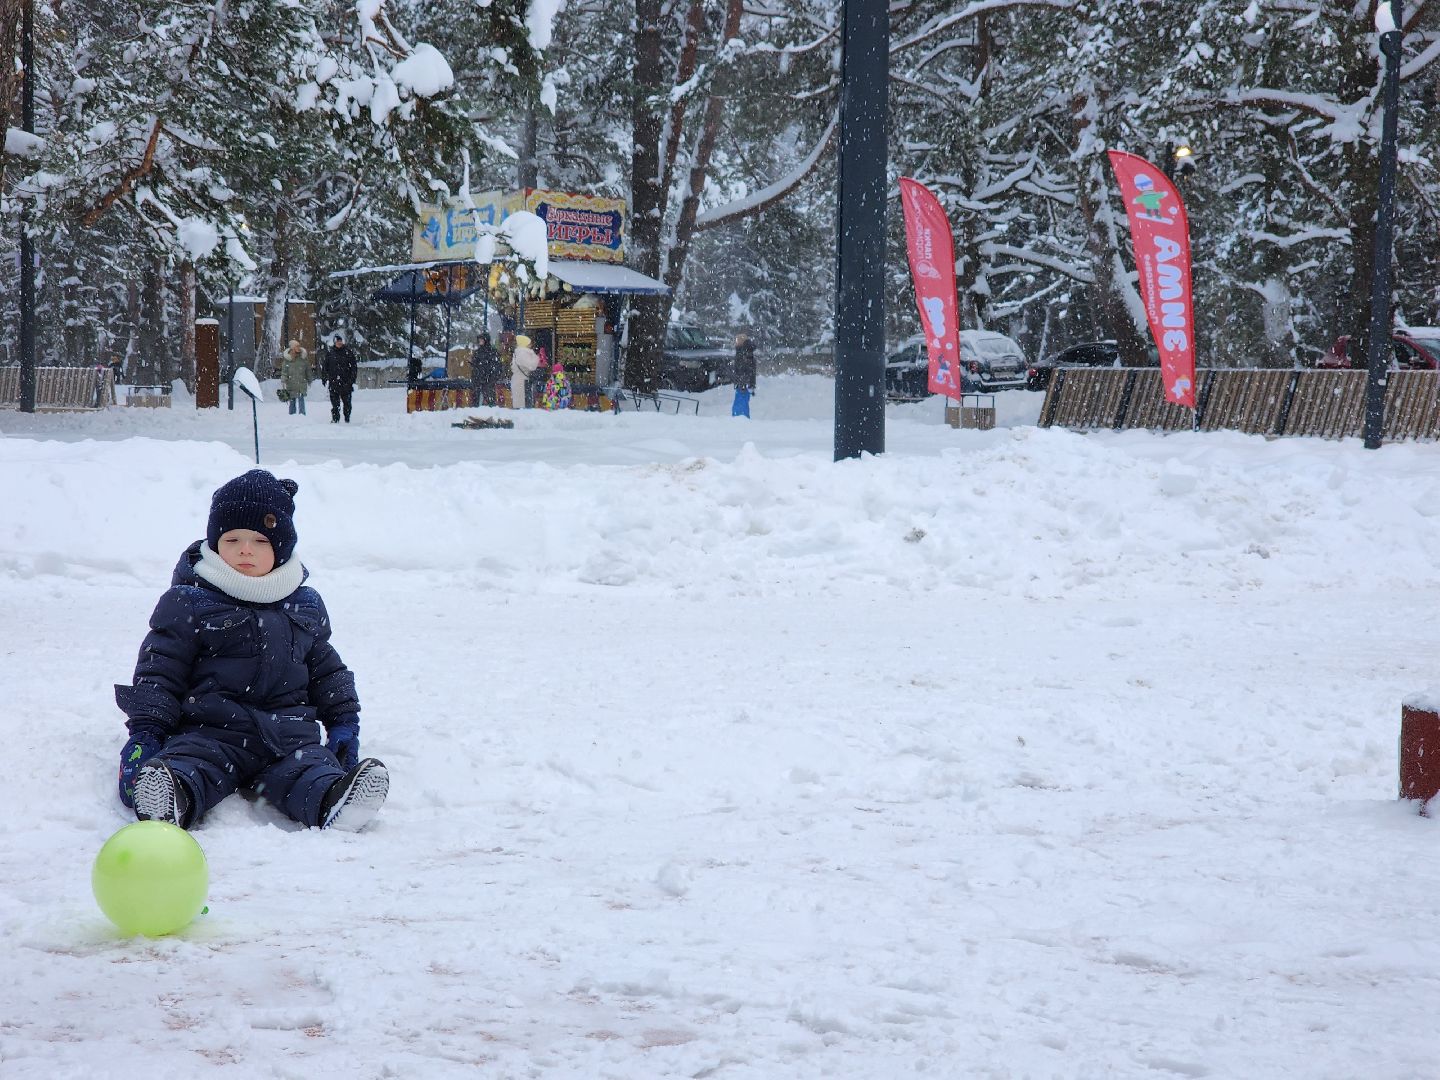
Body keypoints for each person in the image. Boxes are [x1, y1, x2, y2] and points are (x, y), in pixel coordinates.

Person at [114, 469, 389, 832]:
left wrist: (343, 724)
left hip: (289, 735)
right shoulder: (190, 601)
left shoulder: (304, 604)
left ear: (281, 547)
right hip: (211, 732)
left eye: (260, 541)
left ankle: (333, 801)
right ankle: (170, 797)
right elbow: (161, 669)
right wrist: (146, 732)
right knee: (190, 764)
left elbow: (327, 671)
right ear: (215, 544)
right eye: (232, 539)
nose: (245, 550)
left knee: (310, 769)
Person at [322, 333, 358, 423]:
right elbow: (325, 367)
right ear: (334, 343)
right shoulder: (330, 353)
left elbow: (354, 368)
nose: (339, 343)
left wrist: (351, 380)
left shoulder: (348, 353)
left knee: (347, 403)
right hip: (334, 383)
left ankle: (347, 419)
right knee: (335, 404)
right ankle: (335, 419)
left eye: (340, 341)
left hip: (346, 383)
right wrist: (324, 377)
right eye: (337, 342)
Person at [279, 338, 311, 416]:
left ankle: (302, 415)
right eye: (297, 346)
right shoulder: (287, 360)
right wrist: (283, 379)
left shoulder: (303, 358)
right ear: (292, 348)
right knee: (292, 400)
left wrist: (309, 379)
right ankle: (292, 415)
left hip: (301, 383)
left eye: (299, 346)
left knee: (301, 399)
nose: (299, 347)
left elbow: (308, 370)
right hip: (291, 383)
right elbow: (284, 371)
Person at [472, 331, 502, 407]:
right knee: (477, 397)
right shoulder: (478, 352)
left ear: (486, 340)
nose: (480, 341)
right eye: (479, 340)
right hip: (479, 378)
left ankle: (491, 410)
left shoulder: (492, 351)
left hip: (488, 378)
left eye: (482, 339)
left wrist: (492, 376)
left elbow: (496, 366)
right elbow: (476, 364)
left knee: (489, 398)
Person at [510, 333, 541, 409]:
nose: (530, 345)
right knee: (524, 405)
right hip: (523, 382)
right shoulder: (523, 353)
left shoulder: (519, 352)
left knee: (520, 403)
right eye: (529, 343)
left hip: (520, 380)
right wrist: (536, 358)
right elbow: (531, 366)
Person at [732, 333, 757, 417]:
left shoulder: (744, 353)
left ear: (741, 341)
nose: (735, 342)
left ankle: (740, 421)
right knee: (741, 404)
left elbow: (745, 370)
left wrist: (743, 384)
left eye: (737, 340)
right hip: (743, 384)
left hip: (743, 385)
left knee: (740, 406)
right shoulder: (744, 351)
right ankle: (740, 419)